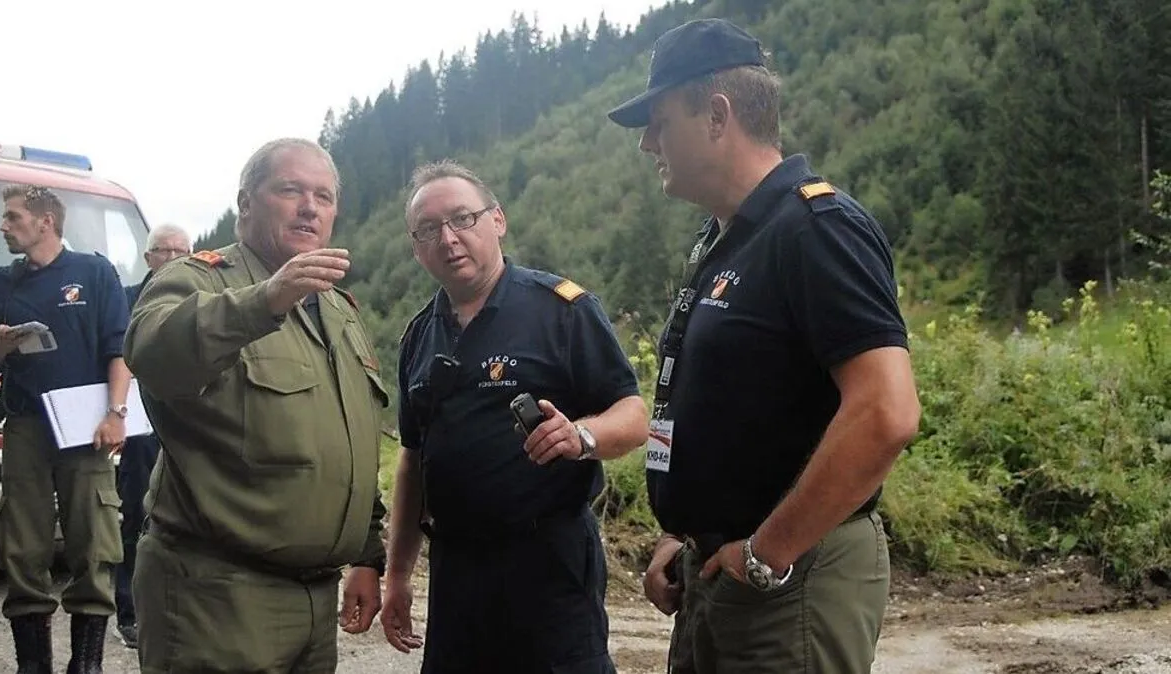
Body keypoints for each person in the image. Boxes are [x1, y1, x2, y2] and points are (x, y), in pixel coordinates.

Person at [606, 18, 922, 673]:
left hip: (791, 577)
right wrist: (682, 536)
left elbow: (885, 412)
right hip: (716, 571)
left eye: (659, 121)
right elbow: (721, 404)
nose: (646, 144)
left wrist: (766, 552)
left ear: (717, 115)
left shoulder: (815, 228)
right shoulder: (722, 238)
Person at [123, 138, 390, 673]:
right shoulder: (197, 278)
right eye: (290, 190)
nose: (310, 206)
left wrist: (366, 554)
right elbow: (152, 353)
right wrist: (265, 300)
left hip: (314, 604)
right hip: (219, 597)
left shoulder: (338, 308)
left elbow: (348, 439)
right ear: (247, 203)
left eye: (324, 196)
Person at [383, 159, 649, 673]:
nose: (449, 238)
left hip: (547, 561)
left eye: (463, 218)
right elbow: (412, 461)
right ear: (417, 248)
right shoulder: (420, 335)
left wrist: (582, 435)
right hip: (457, 568)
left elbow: (633, 413)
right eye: (429, 229)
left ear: (497, 219)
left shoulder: (561, 311)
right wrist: (398, 575)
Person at [0, 184, 129, 673]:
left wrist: (116, 413)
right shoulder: (1, 282)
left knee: (93, 541)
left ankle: (87, 664)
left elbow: (119, 349)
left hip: (87, 427)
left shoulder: (94, 272)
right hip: (25, 425)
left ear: (45, 222)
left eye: (13, 217)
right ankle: (32, 665)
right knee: (22, 543)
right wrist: (0, 345)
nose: (4, 226)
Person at [112, 223, 192, 649]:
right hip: (141, 430)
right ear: (148, 258)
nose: (176, 258)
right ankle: (129, 612)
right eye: (166, 250)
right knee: (136, 516)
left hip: (190, 429)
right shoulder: (124, 300)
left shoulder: (202, 299)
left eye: (183, 249)